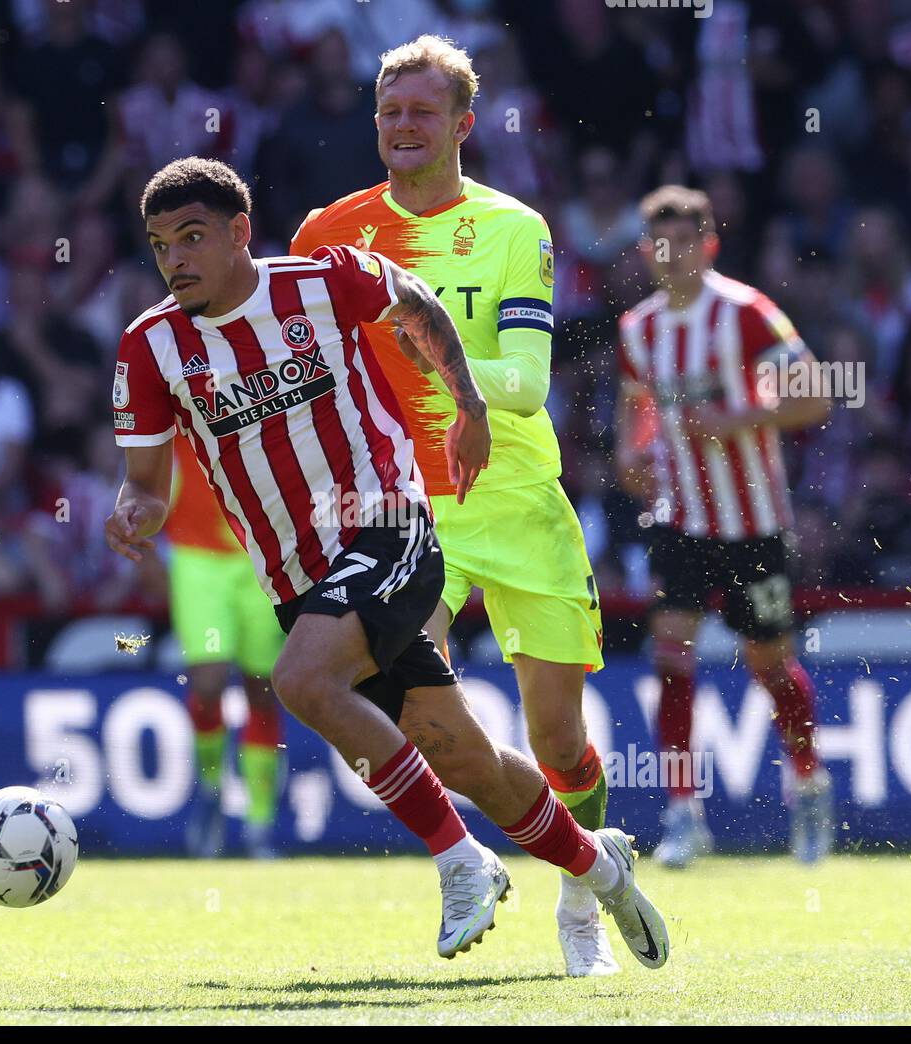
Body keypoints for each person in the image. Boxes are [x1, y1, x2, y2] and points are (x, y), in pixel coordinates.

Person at [104, 156, 668, 965]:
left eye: (193, 238)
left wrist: (469, 404)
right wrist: (136, 512)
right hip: (296, 576)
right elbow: (147, 483)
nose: (177, 260)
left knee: (301, 680)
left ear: (239, 233)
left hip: (389, 523)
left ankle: (459, 860)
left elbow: (418, 301)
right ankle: (600, 863)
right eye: (161, 246)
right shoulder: (150, 346)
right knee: (466, 757)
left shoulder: (323, 279)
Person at [292, 37, 615, 976]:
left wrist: (436, 360)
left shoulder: (517, 229)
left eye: (422, 113)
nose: (401, 127)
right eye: (390, 113)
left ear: (462, 125)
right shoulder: (330, 233)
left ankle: (582, 887)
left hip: (512, 496)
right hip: (403, 509)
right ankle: (464, 864)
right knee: (418, 716)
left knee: (558, 736)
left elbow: (525, 382)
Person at [614, 185, 835, 867]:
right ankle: (684, 813)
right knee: (670, 652)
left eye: (685, 241)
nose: (671, 255)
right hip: (680, 518)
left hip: (754, 521)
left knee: (768, 662)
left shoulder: (746, 314)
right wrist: (629, 453)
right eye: (660, 243)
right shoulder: (639, 329)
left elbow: (815, 397)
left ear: (708, 245)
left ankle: (808, 786)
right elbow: (636, 409)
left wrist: (739, 420)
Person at [166, 444, 287, 859]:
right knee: (209, 682)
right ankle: (211, 787)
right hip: (198, 558)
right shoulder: (183, 389)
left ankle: (259, 822)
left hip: (262, 557)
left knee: (264, 690)